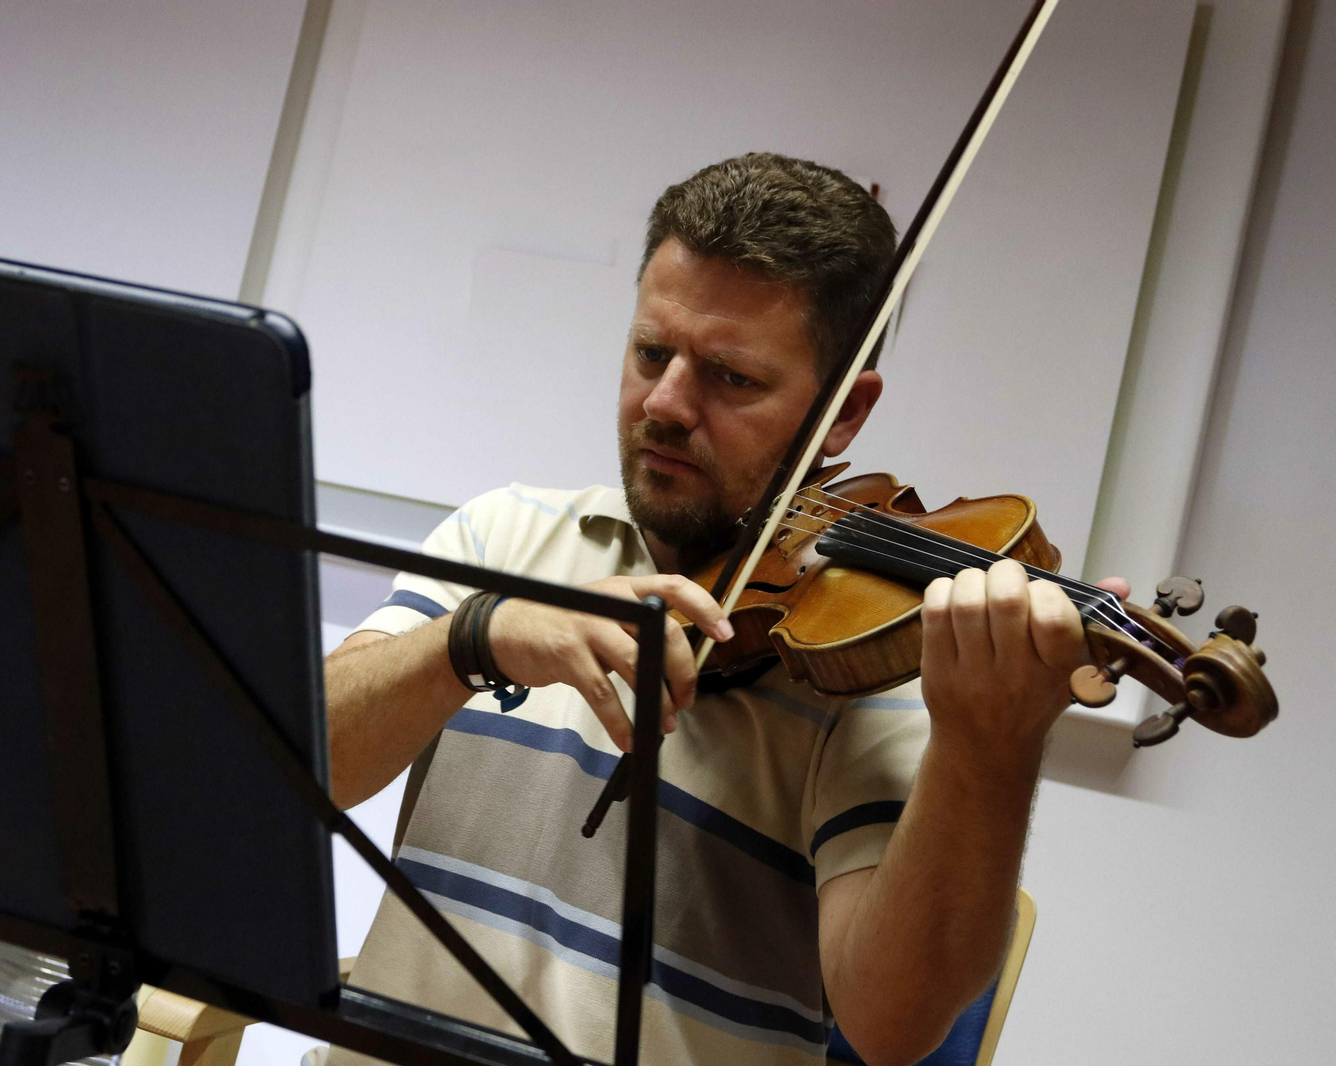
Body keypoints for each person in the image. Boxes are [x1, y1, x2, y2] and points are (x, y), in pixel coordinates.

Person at [322, 153, 1125, 1066]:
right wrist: (476, 638)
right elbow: (291, 768)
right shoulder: (503, 535)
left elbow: (892, 1026)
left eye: (730, 378)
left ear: (844, 416)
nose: (664, 405)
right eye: (651, 353)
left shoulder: (870, 672)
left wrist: (989, 745)